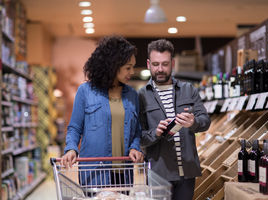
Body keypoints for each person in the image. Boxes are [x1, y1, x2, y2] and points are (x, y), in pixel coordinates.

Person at [61, 35, 143, 187]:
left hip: (123, 173)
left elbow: (136, 132)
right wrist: (71, 149)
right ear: (113, 66)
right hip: (94, 172)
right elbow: (75, 127)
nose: (132, 72)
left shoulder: (132, 95)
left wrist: (134, 148)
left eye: (133, 67)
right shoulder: (85, 91)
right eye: (127, 67)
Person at [138, 39, 211, 200]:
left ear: (173, 63)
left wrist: (194, 123)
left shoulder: (188, 90)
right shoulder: (141, 96)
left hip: (187, 171)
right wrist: (155, 133)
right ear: (149, 64)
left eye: (165, 64)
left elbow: (205, 121)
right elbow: (139, 137)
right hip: (159, 173)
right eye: (156, 64)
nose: (160, 69)